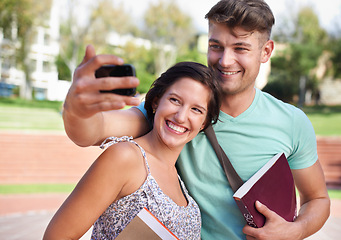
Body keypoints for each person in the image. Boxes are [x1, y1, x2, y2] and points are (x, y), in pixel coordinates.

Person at [62, 0, 330, 239]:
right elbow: (92, 131)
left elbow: (317, 198)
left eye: (240, 48)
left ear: (266, 51)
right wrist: (76, 108)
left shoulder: (292, 122)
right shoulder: (176, 112)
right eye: (216, 46)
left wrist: (295, 230)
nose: (225, 60)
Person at [43, 62, 222, 240]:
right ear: (156, 101)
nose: (181, 116)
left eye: (196, 110)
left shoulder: (178, 178)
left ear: (204, 123)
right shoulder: (125, 157)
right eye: (175, 100)